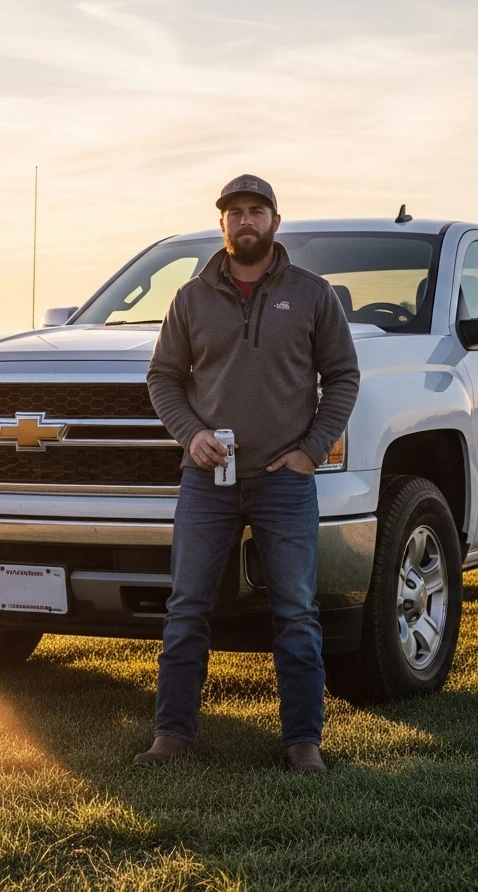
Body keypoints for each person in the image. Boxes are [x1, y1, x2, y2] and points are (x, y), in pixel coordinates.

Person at [136, 174, 360, 773]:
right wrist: (192, 434)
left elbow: (343, 376)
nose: (245, 220)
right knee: (187, 608)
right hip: (205, 479)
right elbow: (163, 377)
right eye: (234, 212)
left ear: (275, 222)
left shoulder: (313, 294)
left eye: (256, 210)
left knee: (296, 611)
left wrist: (311, 450)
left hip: (285, 480)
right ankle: (172, 736)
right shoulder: (190, 298)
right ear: (222, 224)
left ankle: (302, 742)